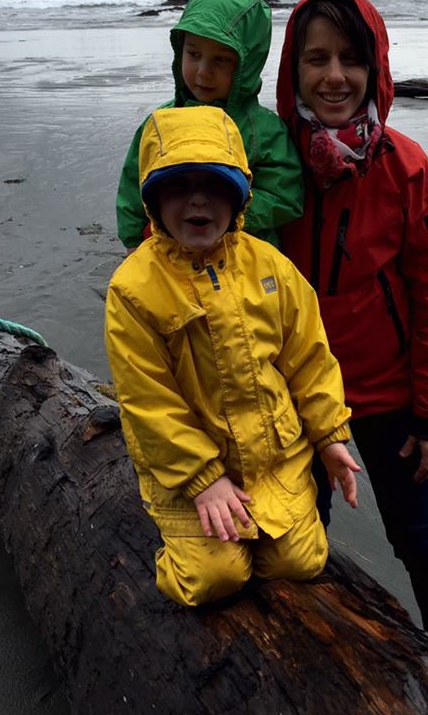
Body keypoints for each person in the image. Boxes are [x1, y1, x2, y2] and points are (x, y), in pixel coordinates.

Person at [275, 0, 428, 669]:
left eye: (350, 59)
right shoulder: (267, 164)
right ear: (291, 69)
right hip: (290, 397)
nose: (333, 76)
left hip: (391, 399)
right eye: (315, 59)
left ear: (375, 68)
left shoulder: (404, 166)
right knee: (296, 539)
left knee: (426, 546)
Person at [105, 105, 359, 607]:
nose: (198, 200)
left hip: (272, 460)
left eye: (215, 184)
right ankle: (173, 543)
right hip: (191, 468)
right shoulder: (134, 289)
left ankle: (254, 530)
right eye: (178, 185)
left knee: (301, 563)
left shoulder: (270, 267)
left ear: (239, 195)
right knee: (211, 581)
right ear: (153, 199)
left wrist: (330, 435)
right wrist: (202, 480)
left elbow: (310, 357)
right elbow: (148, 402)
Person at [116, 0, 303, 251]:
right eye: (193, 54)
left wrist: (226, 213)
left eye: (221, 60)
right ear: (180, 49)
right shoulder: (160, 123)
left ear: (246, 65)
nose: (203, 71)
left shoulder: (264, 130)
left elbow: (286, 197)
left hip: (243, 266)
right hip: (169, 262)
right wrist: (135, 242)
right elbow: (134, 186)